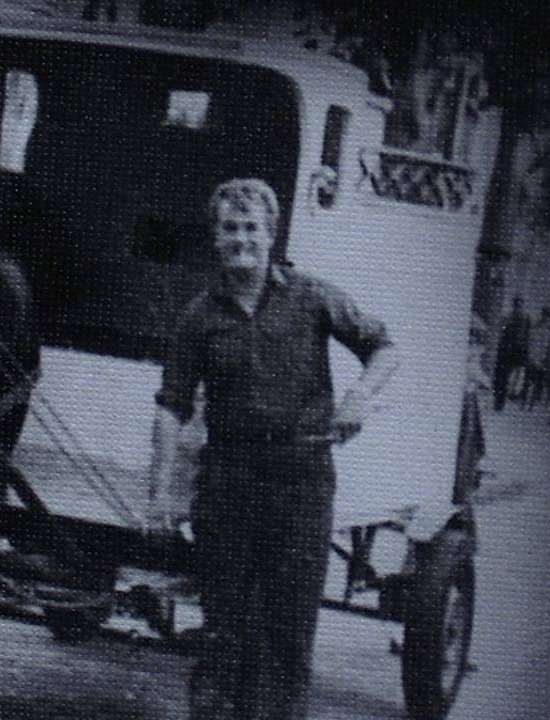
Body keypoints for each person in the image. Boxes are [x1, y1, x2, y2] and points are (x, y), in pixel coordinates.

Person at [143, 178, 398, 720]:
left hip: (300, 487)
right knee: (222, 637)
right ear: (215, 238)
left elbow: (383, 347)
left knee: (287, 640)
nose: (241, 239)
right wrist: (160, 495)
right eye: (230, 229)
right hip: (228, 487)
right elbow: (171, 407)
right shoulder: (199, 317)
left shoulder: (312, 297)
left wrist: (358, 395)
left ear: (271, 234)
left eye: (251, 228)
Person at [493, 296, 530, 411]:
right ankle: (499, 401)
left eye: (519, 305)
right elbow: (500, 332)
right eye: (516, 305)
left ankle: (500, 403)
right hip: (505, 352)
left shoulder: (524, 320)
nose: (517, 307)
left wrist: (523, 355)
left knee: (504, 379)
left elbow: (526, 339)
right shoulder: (508, 318)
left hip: (512, 353)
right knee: (501, 378)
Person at [523, 307, 550, 411]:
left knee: (538, 383)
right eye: (544, 315)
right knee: (528, 381)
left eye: (548, 316)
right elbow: (529, 342)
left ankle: (532, 404)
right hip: (532, 358)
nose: (545, 318)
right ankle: (524, 401)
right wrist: (529, 355)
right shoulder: (535, 327)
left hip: (544, 361)